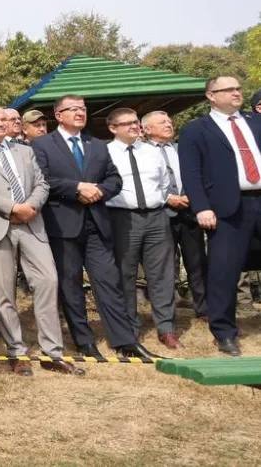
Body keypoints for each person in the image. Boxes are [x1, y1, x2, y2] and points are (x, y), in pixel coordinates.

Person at [30, 95, 152, 361]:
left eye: (83, 109)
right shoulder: (41, 145)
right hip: (63, 225)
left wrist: (99, 190)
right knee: (71, 285)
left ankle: (124, 340)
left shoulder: (97, 145)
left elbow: (114, 179)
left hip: (97, 222)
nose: (79, 113)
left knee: (109, 281)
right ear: (58, 115)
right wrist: (76, 189)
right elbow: (43, 179)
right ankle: (84, 340)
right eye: (72, 109)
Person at [0, 106, 79, 376]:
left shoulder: (25, 150)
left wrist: (30, 207)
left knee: (48, 281)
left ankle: (53, 353)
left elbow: (42, 183)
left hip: (32, 222)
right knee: (4, 292)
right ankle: (16, 351)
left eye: (4, 119)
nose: (2, 123)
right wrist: (13, 208)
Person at [178, 76, 261, 356]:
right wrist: (201, 207)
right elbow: (191, 173)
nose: (237, 92)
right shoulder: (196, 130)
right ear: (211, 96)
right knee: (224, 271)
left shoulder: (255, 121)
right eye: (229, 89)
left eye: (238, 88)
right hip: (227, 208)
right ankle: (224, 332)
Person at [103, 108, 182, 350]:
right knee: (124, 275)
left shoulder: (151, 152)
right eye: (126, 123)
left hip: (156, 217)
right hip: (122, 219)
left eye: (135, 122)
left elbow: (164, 183)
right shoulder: (104, 153)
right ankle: (129, 328)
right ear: (113, 128)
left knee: (162, 274)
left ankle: (166, 328)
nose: (133, 127)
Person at [143, 111, 207, 320]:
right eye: (162, 122)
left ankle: (204, 308)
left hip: (188, 212)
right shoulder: (140, 153)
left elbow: (196, 174)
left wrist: (192, 195)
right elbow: (143, 184)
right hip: (159, 214)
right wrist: (167, 197)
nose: (169, 124)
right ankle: (167, 312)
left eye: (169, 121)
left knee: (197, 261)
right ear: (147, 129)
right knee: (164, 265)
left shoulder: (182, 149)